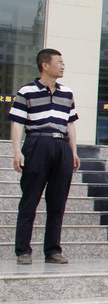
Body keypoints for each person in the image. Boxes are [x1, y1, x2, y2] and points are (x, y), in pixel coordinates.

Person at [10, 48, 79, 265]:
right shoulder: (26, 91)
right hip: (37, 144)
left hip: (61, 146)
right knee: (30, 199)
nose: (63, 66)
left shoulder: (67, 93)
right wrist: (17, 151)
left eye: (63, 62)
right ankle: (23, 250)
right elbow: (18, 123)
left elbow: (70, 124)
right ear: (45, 65)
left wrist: (73, 150)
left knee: (58, 202)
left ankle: (53, 251)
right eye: (59, 62)